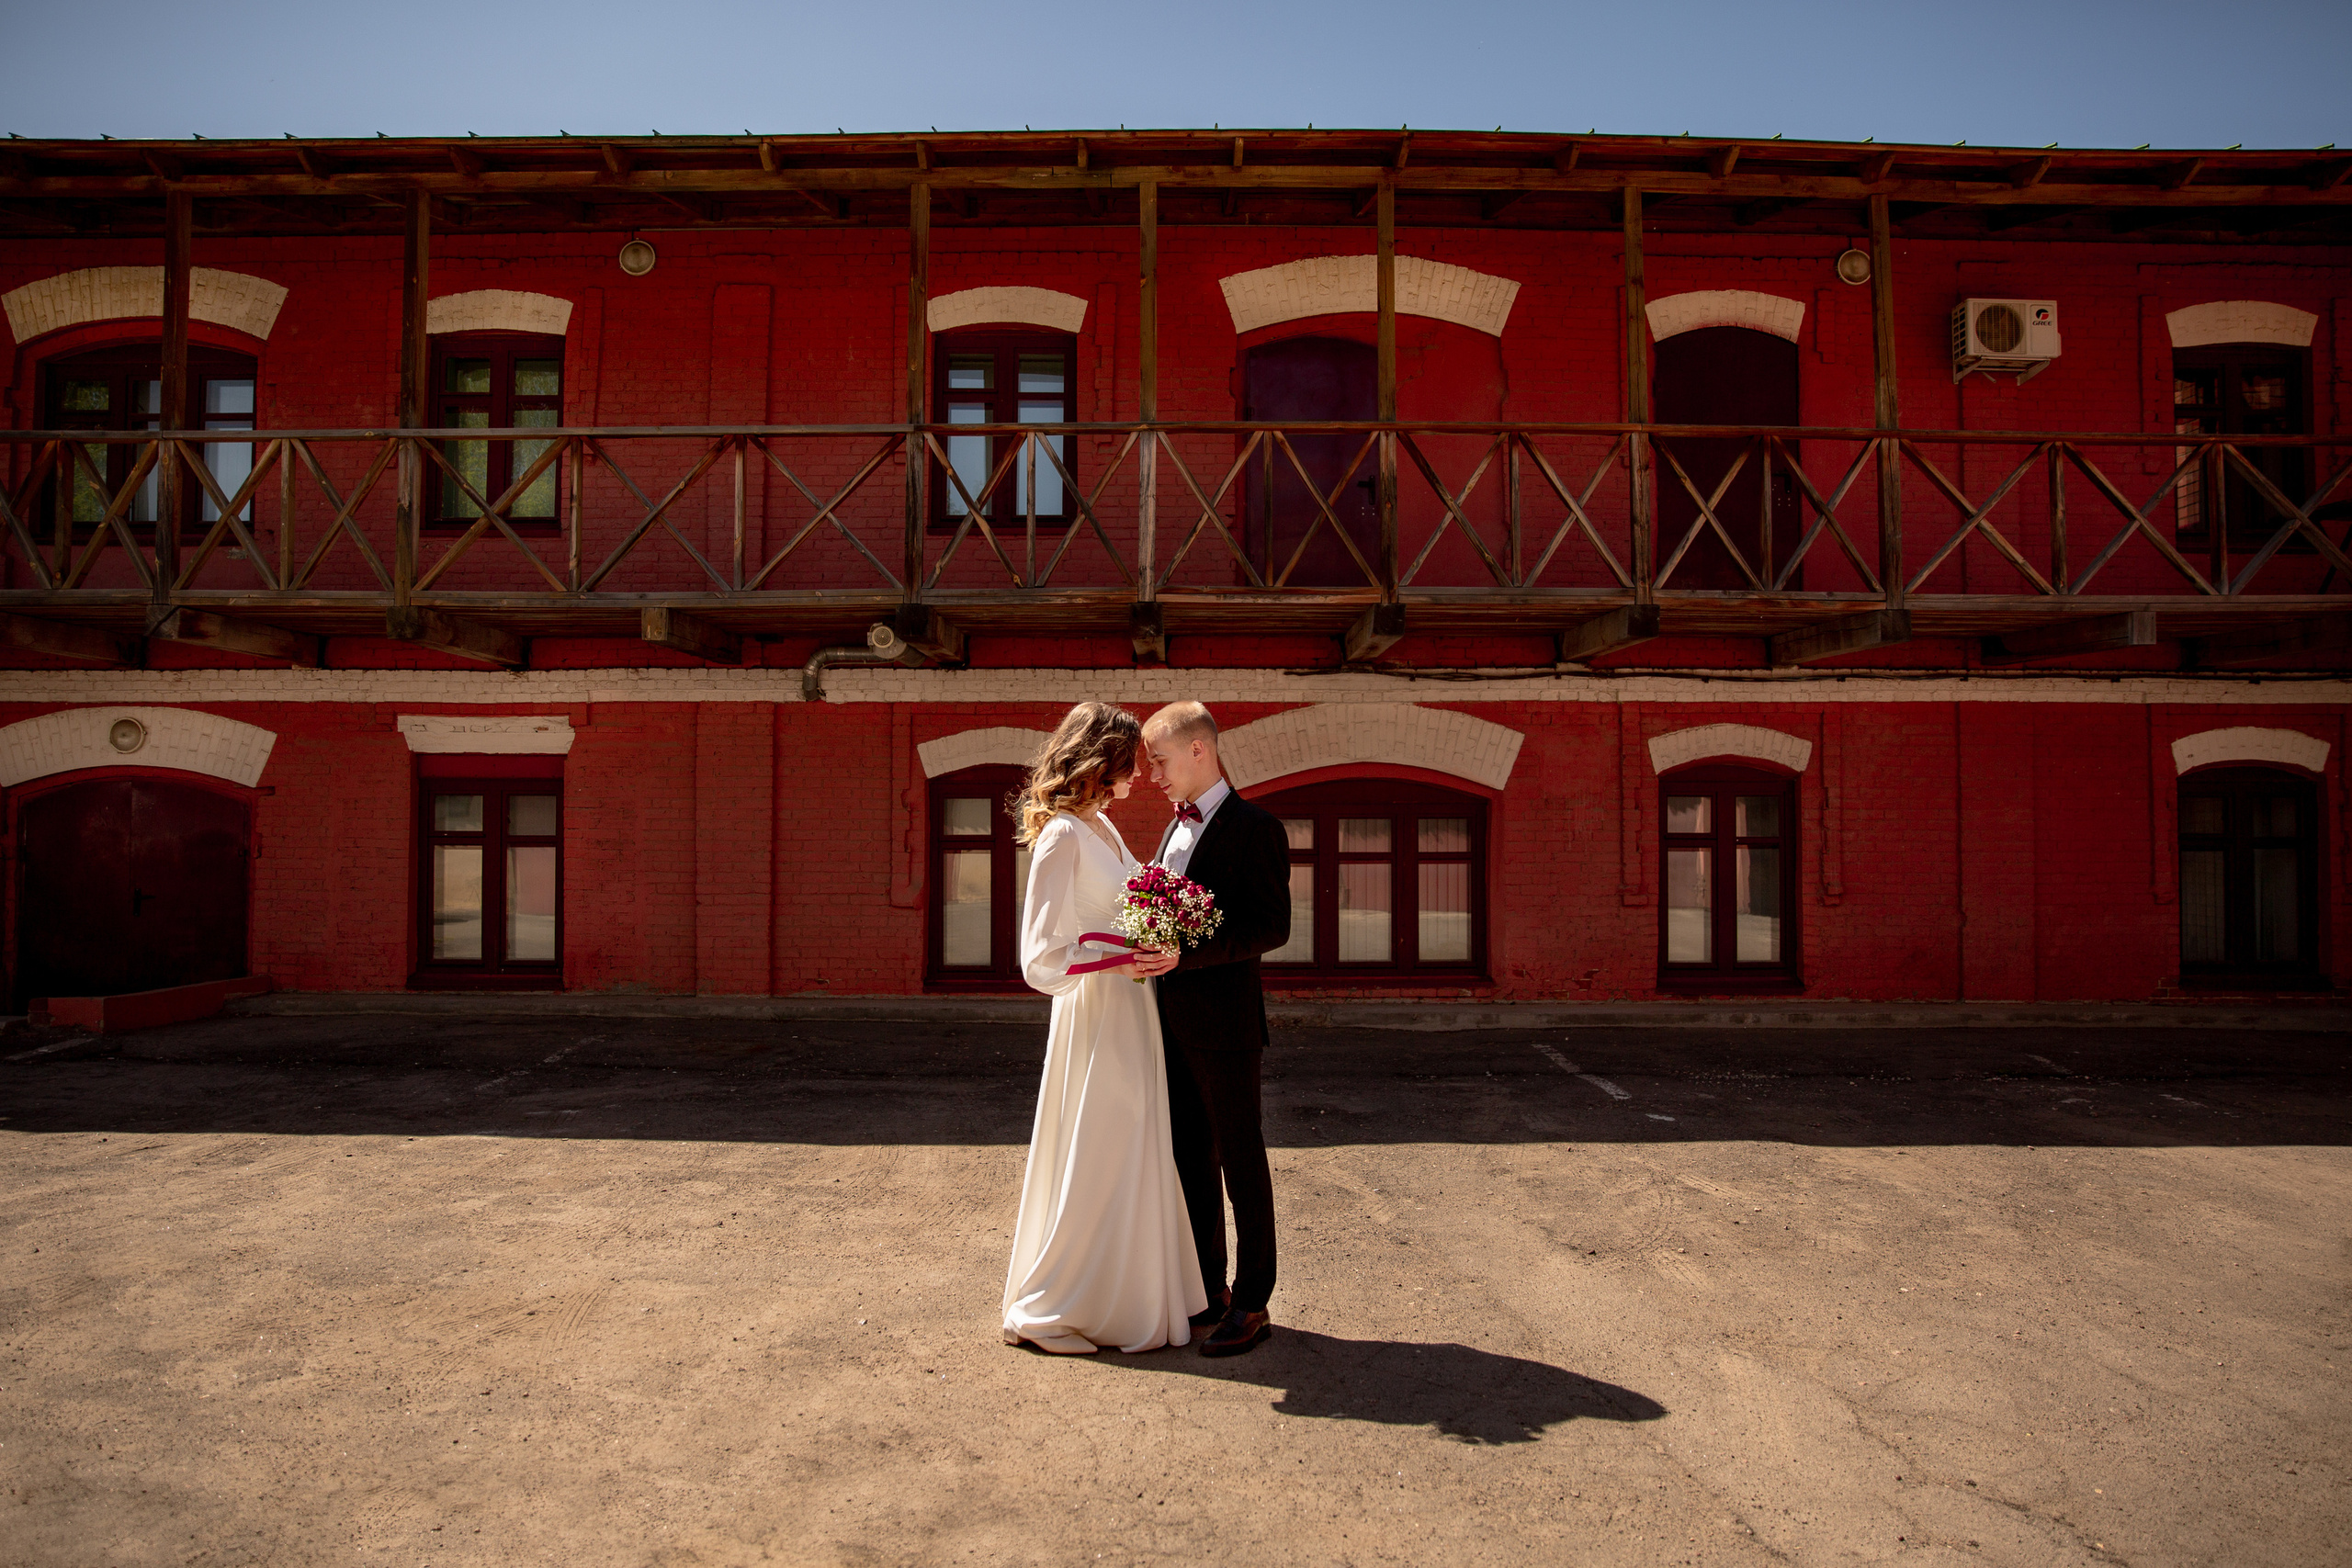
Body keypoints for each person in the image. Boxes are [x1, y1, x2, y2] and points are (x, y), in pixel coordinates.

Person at [1000, 701, 1206, 1354]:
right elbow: (1040, 955)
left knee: (1130, 1150)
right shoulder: (1062, 834)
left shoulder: (1104, 827)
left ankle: (1123, 1299)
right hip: (1097, 1013)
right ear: (1099, 762)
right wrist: (1116, 959)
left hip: (1131, 1010)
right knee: (1098, 1152)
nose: (1140, 775)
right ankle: (1051, 1309)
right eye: (1127, 763)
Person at [1142, 701, 1293, 1357]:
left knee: (1240, 1160)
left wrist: (1186, 955)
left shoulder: (1258, 828)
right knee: (1189, 1160)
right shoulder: (1172, 829)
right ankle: (1209, 1290)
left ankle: (1253, 1299)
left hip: (1226, 1025)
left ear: (1199, 749)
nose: (1153, 776)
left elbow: (1271, 926)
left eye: (1160, 760)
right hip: (1166, 1020)